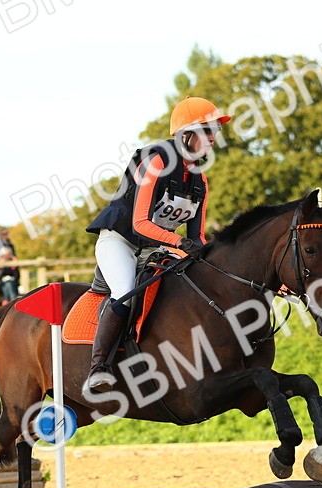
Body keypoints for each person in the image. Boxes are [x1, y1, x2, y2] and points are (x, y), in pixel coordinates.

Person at [82, 96, 230, 392]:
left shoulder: (200, 180)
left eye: (215, 131)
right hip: (120, 242)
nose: (213, 138)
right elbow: (140, 223)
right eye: (207, 130)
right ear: (185, 134)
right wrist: (179, 242)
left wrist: (214, 260)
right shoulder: (157, 161)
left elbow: (197, 237)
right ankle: (98, 367)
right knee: (125, 292)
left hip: (155, 249)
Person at [0, 232, 19, 306]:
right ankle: (11, 304)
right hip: (2, 282)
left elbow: (17, 275)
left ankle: (11, 304)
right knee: (7, 285)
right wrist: (1, 266)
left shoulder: (12, 262)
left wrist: (14, 265)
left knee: (9, 284)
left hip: (11, 281)